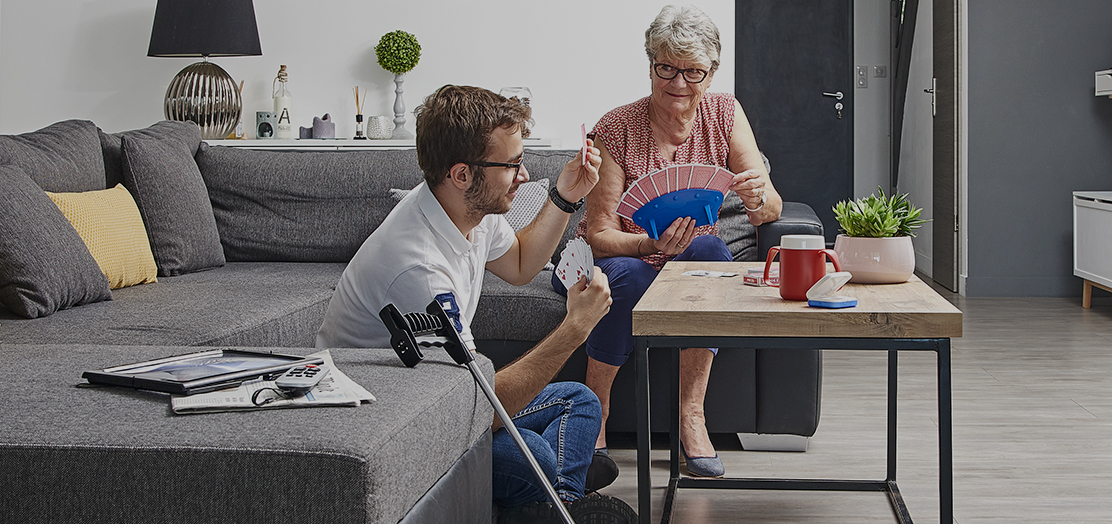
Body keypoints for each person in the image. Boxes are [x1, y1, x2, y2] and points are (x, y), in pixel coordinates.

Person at [316, 85, 635, 523]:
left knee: (579, 401)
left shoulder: (464, 210)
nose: (523, 176)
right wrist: (574, 329)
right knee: (536, 455)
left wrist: (566, 195)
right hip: (394, 423)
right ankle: (561, 494)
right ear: (462, 174)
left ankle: (550, 502)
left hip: (442, 396)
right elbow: (477, 411)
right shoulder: (418, 271)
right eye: (513, 165)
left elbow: (522, 263)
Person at [553, 5, 783, 479]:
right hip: (618, 258)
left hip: (687, 256)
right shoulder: (616, 128)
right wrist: (650, 246)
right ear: (650, 64)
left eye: (693, 72)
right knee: (632, 274)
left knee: (714, 252)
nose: (679, 83)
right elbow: (598, 236)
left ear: (711, 73)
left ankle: (692, 417)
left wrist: (759, 198)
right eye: (666, 69)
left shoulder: (725, 112)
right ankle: (596, 410)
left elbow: (769, 208)